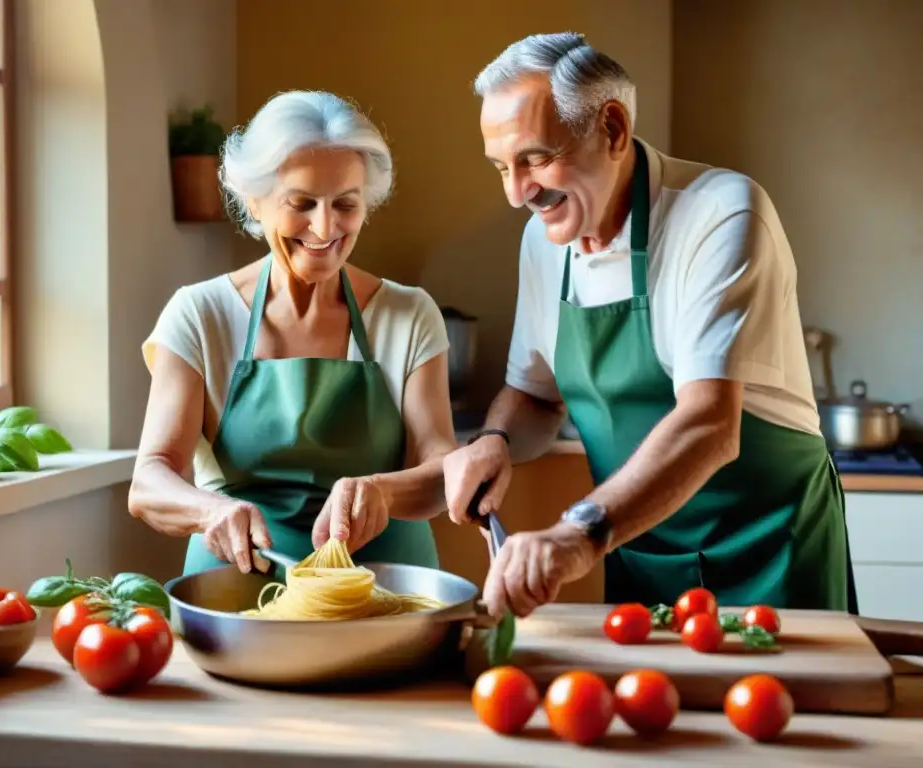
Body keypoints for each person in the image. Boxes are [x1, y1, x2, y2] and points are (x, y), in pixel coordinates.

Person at [442, 32, 856, 619]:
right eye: (501, 167)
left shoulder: (721, 213)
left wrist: (577, 532)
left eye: (534, 158)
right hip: (637, 549)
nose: (516, 193)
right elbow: (535, 395)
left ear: (611, 128)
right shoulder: (543, 241)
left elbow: (709, 424)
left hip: (769, 560)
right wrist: (495, 441)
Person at [129, 91, 456, 575]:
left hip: (385, 590)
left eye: (345, 203)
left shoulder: (408, 314)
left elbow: (442, 469)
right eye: (301, 202)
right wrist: (211, 510)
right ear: (254, 202)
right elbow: (149, 480)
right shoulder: (200, 314)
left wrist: (381, 492)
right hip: (238, 588)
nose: (324, 227)